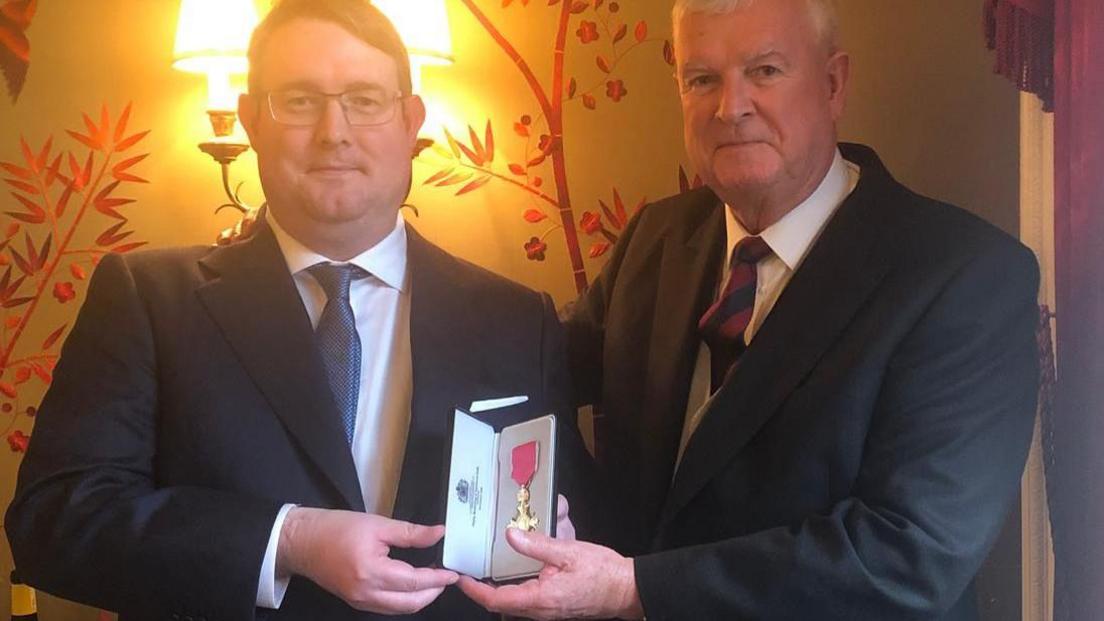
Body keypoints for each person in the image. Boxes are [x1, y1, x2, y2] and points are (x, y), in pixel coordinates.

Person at [5, 1, 593, 619]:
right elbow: (55, 521)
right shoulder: (146, 298)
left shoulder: (519, 319)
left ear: (411, 121)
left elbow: (581, 533)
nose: (333, 131)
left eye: (364, 99)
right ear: (251, 120)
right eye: (300, 100)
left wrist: (557, 544)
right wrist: (286, 541)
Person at [458, 0, 1041, 619]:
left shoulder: (964, 275)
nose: (729, 107)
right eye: (701, 79)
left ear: (833, 83)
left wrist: (634, 588)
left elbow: (910, 555)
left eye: (764, 71)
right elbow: (536, 373)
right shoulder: (655, 237)